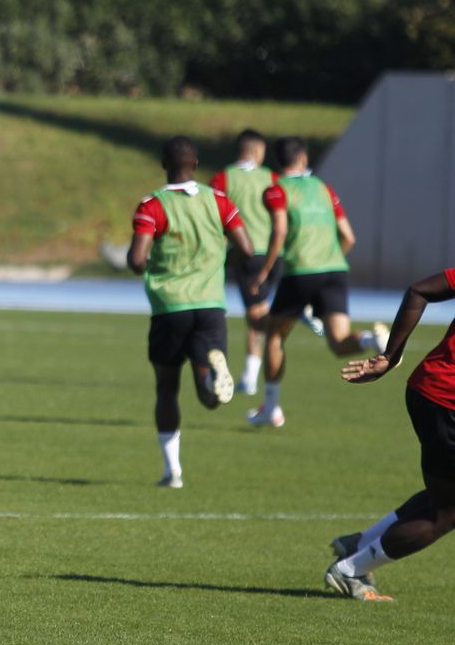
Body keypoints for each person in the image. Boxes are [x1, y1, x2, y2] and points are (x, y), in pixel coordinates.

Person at [127, 136, 253, 488]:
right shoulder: (220, 201)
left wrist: (139, 263)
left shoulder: (153, 205)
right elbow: (247, 247)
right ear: (196, 164)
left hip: (170, 307)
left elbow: (137, 260)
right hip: (210, 304)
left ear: (163, 164)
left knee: (166, 389)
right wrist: (218, 265)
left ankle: (173, 472)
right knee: (208, 398)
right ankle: (215, 377)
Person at [324, 269, 455, 602]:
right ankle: (350, 570)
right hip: (448, 404)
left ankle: (359, 542)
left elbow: (419, 290)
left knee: (444, 494)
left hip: (427, 389)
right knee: (446, 513)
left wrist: (390, 355)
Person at [246, 136, 387, 428]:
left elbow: (280, 232)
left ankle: (271, 408)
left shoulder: (275, 191)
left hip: (300, 271)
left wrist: (264, 271)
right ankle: (371, 340)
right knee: (338, 343)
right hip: (335, 269)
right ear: (303, 159)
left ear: (277, 160)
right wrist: (330, 258)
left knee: (273, 336)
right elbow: (349, 237)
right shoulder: (324, 188)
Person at [210, 130, 279, 396]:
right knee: (257, 315)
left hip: (247, 254)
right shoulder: (271, 177)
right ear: (257, 152)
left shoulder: (223, 178)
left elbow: (212, 213)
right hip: (275, 253)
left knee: (257, 316)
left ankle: (299, 309)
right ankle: (249, 377)